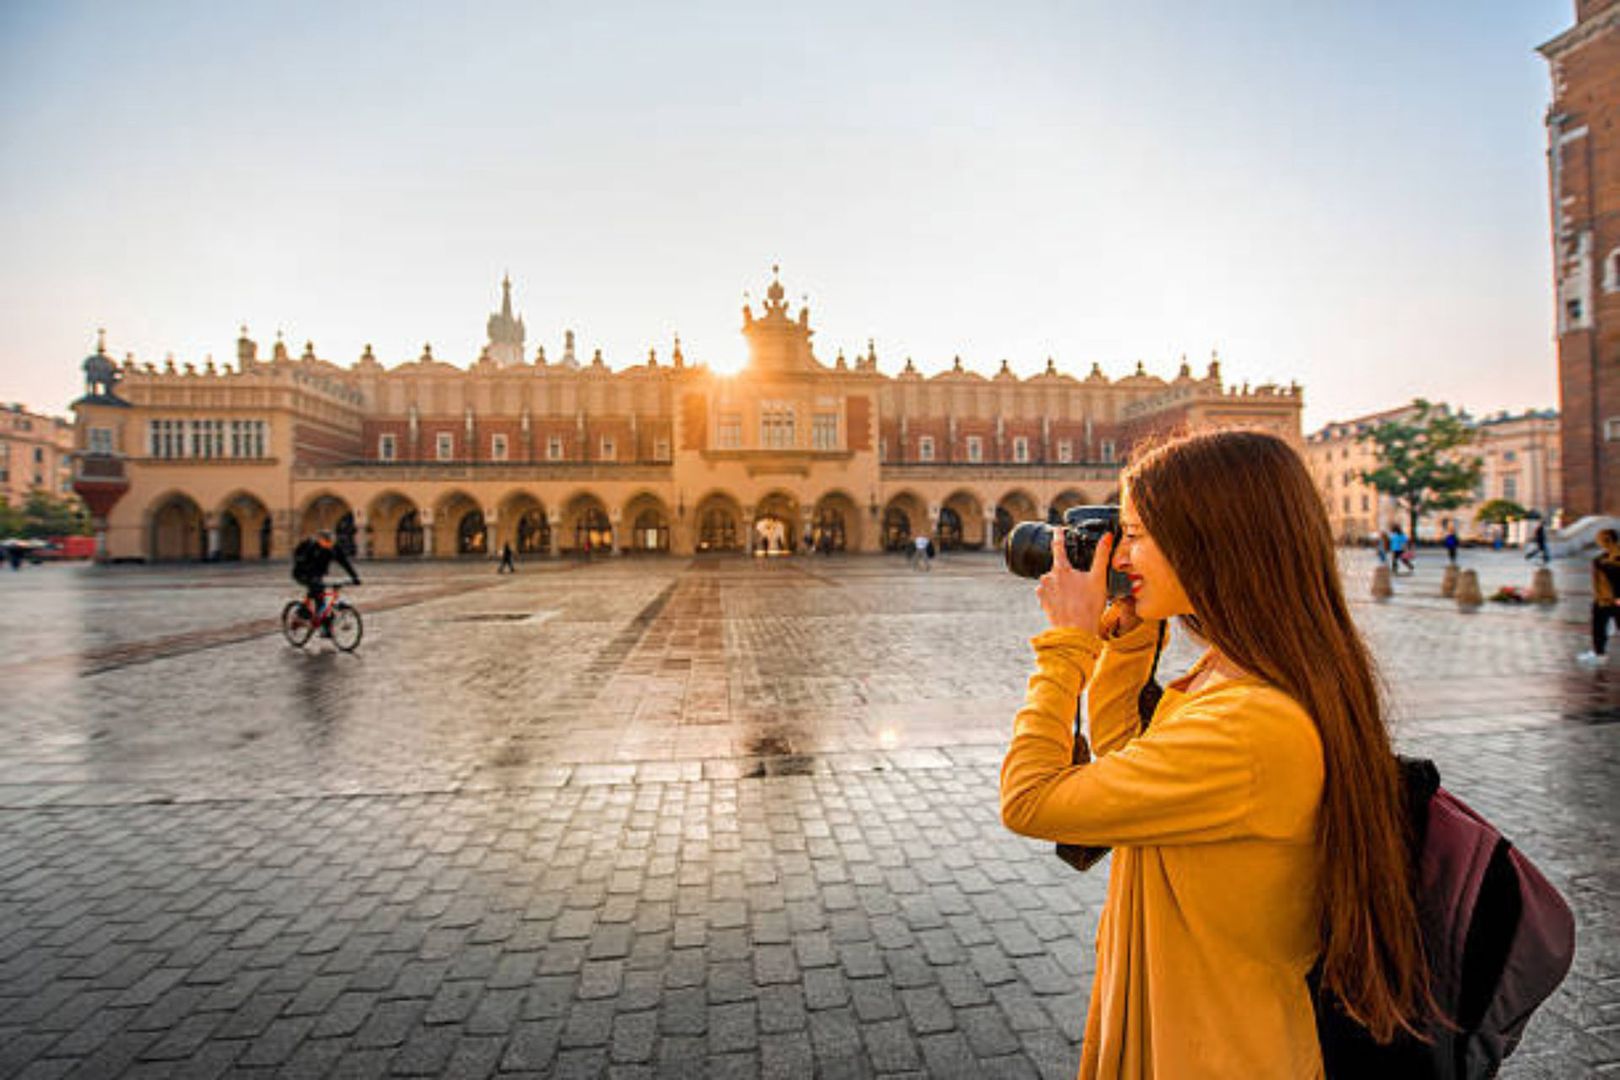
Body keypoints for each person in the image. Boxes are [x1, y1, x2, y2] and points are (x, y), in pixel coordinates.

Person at [1001, 429, 1430, 1078]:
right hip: (1185, 1029)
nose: (1122, 553)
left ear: (1213, 541)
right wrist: (1127, 636)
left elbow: (1031, 801)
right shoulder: (1234, 675)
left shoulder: (1250, 723)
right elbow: (1129, 766)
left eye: (1139, 533)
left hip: (1213, 1053)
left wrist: (1067, 646)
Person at [291, 530, 361, 634]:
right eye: (326, 542)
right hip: (302, 573)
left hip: (317, 575)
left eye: (330, 542)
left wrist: (355, 577)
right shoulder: (312, 547)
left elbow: (345, 563)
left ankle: (324, 626)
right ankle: (300, 615)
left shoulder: (334, 548)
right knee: (316, 591)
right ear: (320, 540)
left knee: (321, 599)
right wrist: (308, 571)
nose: (329, 544)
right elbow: (300, 560)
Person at [1577, 528, 1620, 665]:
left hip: (1615, 599)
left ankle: (1599, 653)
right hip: (1601, 599)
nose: (1600, 542)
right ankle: (1599, 653)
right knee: (1598, 627)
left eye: (1602, 539)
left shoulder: (1616, 557)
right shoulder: (1601, 558)